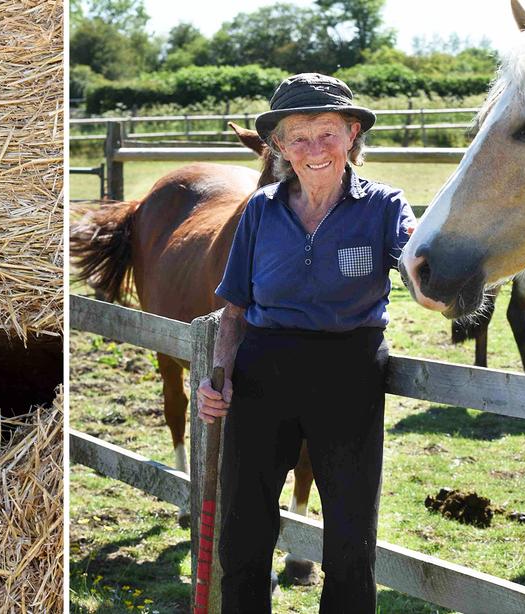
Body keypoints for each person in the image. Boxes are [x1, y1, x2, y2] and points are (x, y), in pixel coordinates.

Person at [196, 73, 416, 613]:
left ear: (353, 134)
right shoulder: (261, 210)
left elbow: (418, 268)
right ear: (277, 147)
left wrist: (436, 270)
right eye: (298, 136)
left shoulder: (384, 206)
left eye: (328, 133)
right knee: (243, 531)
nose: (313, 149)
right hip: (262, 374)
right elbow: (235, 309)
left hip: (349, 377)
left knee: (349, 536)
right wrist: (217, 378)